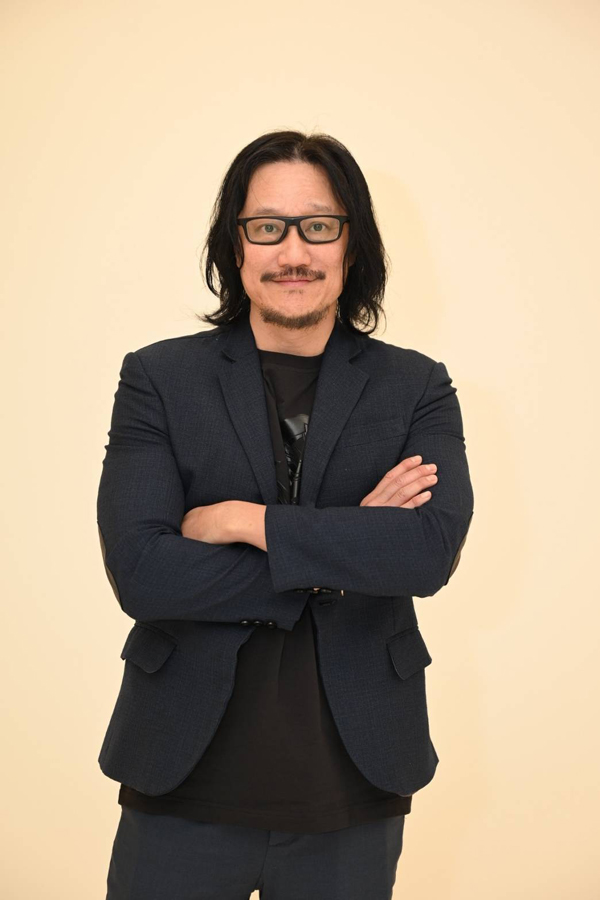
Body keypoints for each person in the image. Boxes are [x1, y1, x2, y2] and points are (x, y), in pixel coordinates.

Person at [97, 129, 474, 899]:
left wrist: (244, 521)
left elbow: (427, 552)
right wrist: (349, 542)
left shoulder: (416, 387)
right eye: (267, 226)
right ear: (234, 245)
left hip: (353, 787)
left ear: (352, 244)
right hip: (180, 780)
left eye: (319, 226)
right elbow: (143, 573)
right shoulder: (160, 379)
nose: (293, 252)